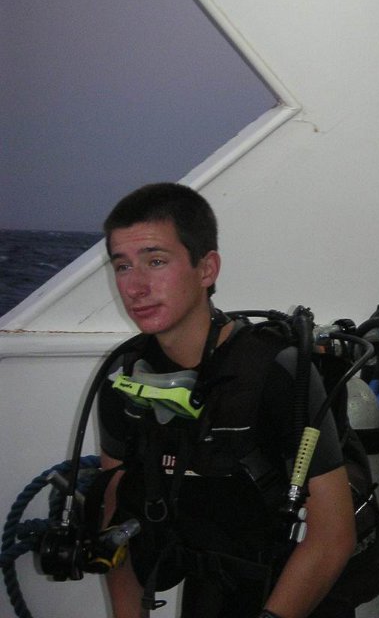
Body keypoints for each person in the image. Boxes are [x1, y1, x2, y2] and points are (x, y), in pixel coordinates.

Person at [96, 183, 356, 618]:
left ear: (206, 269)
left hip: (297, 597)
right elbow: (114, 521)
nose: (135, 287)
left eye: (155, 261)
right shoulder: (123, 379)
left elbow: (332, 537)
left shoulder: (278, 372)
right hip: (208, 589)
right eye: (122, 267)